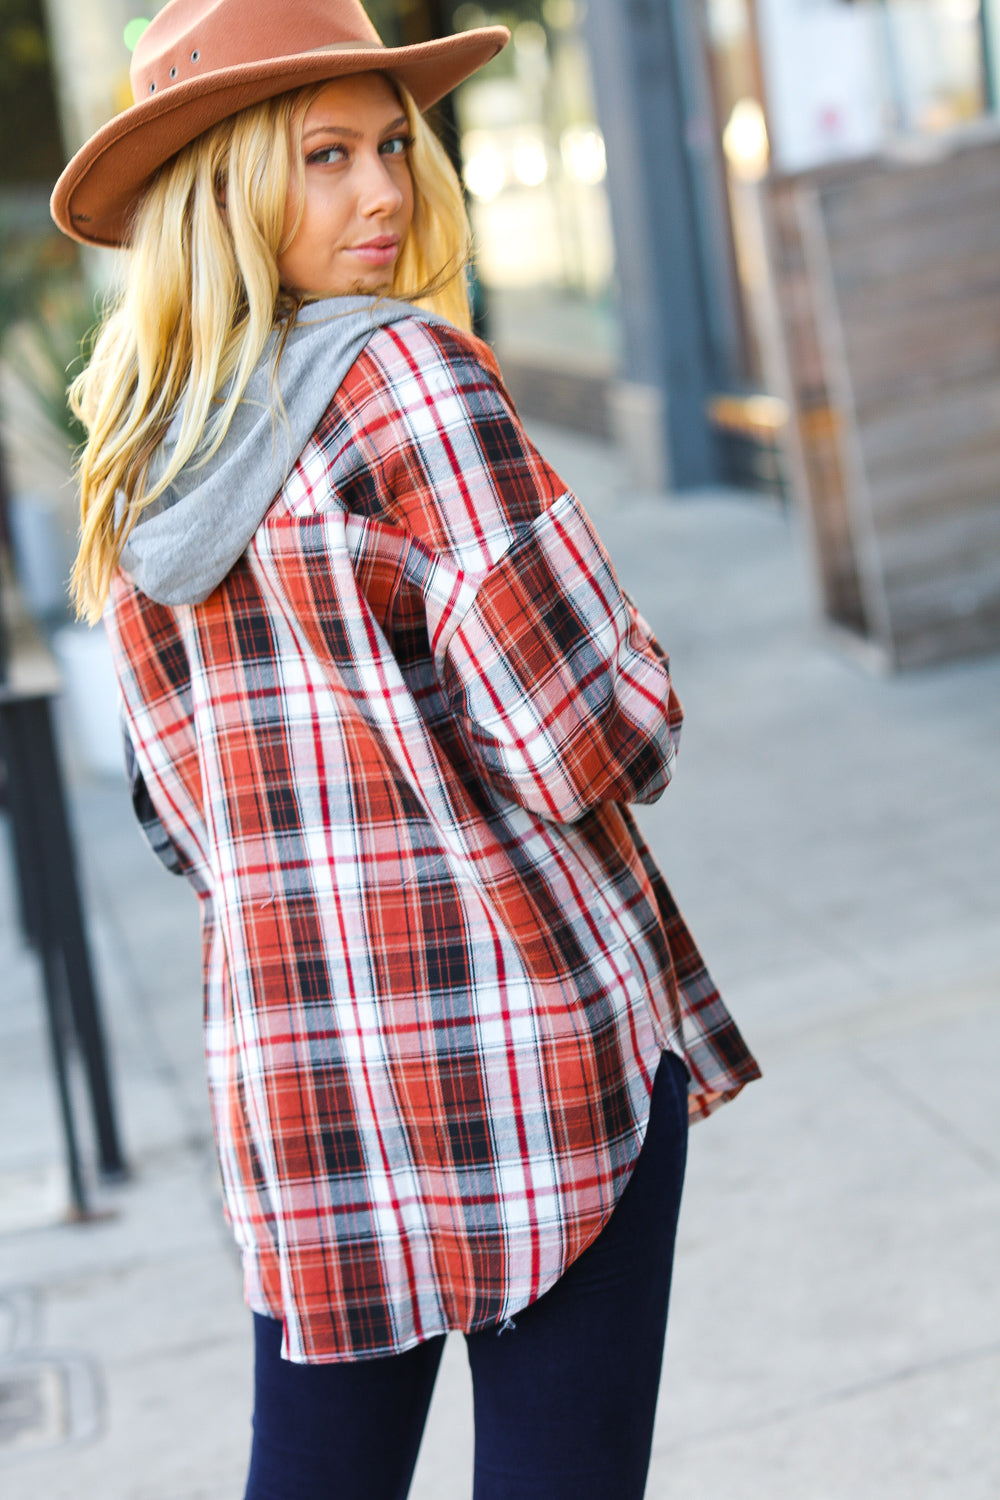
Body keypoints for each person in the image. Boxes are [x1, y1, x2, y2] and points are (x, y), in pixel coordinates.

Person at [51, 2, 760, 1496]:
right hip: (526, 1049)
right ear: (219, 183)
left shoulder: (139, 463)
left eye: (389, 145)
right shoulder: (409, 381)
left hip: (304, 1087)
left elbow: (185, 829)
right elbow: (587, 737)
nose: (382, 191)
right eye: (321, 156)